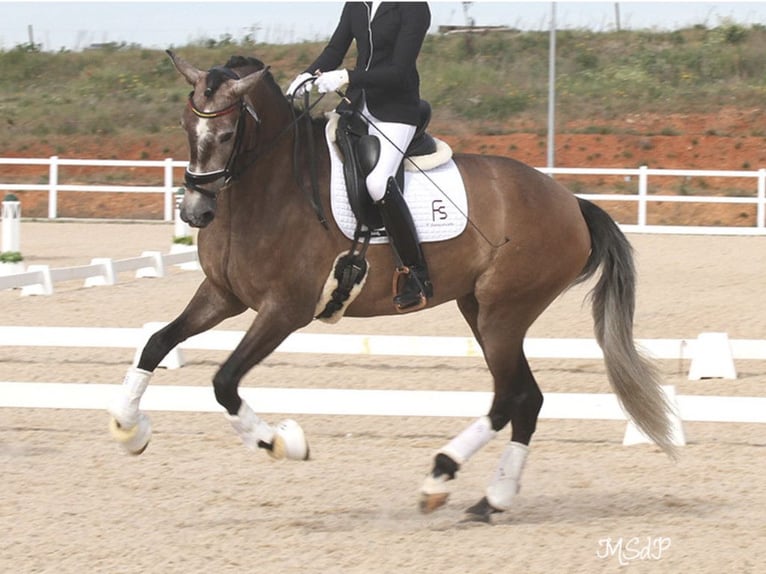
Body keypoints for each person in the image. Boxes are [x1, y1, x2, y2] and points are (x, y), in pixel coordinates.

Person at [286, 1, 432, 311]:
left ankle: (416, 273)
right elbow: (334, 48)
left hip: (396, 110)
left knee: (379, 183)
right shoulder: (356, 4)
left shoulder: (414, 7)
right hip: (356, 106)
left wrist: (346, 77)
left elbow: (398, 71)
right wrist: (306, 75)